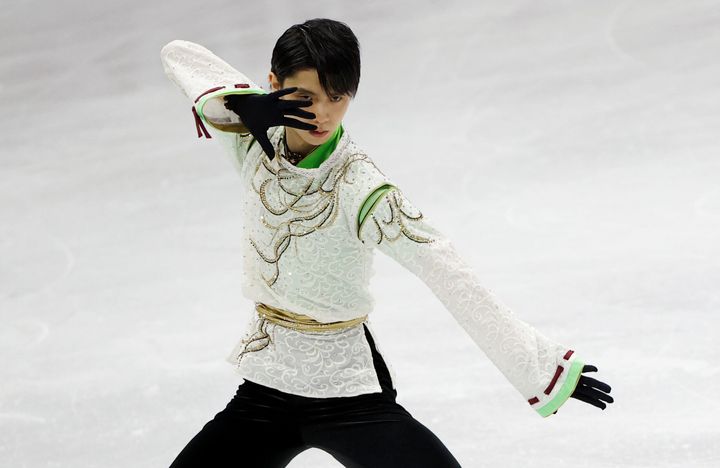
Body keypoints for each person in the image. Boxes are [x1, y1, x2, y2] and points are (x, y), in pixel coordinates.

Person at [160, 18, 613, 468]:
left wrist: (543, 368)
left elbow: (448, 272)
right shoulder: (253, 141)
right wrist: (245, 104)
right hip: (266, 389)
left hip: (348, 395)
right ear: (274, 83)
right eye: (304, 98)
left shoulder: (363, 188)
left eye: (337, 97)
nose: (322, 113)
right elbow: (179, 54)